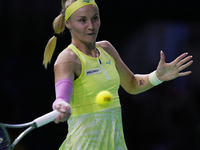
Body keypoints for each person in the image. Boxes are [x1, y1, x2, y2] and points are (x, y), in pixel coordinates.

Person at [43, 0, 193, 149]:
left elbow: (132, 84)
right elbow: (62, 96)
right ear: (68, 23)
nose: (91, 26)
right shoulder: (68, 58)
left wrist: (157, 76)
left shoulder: (107, 49)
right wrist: (61, 105)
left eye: (95, 18)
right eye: (82, 20)